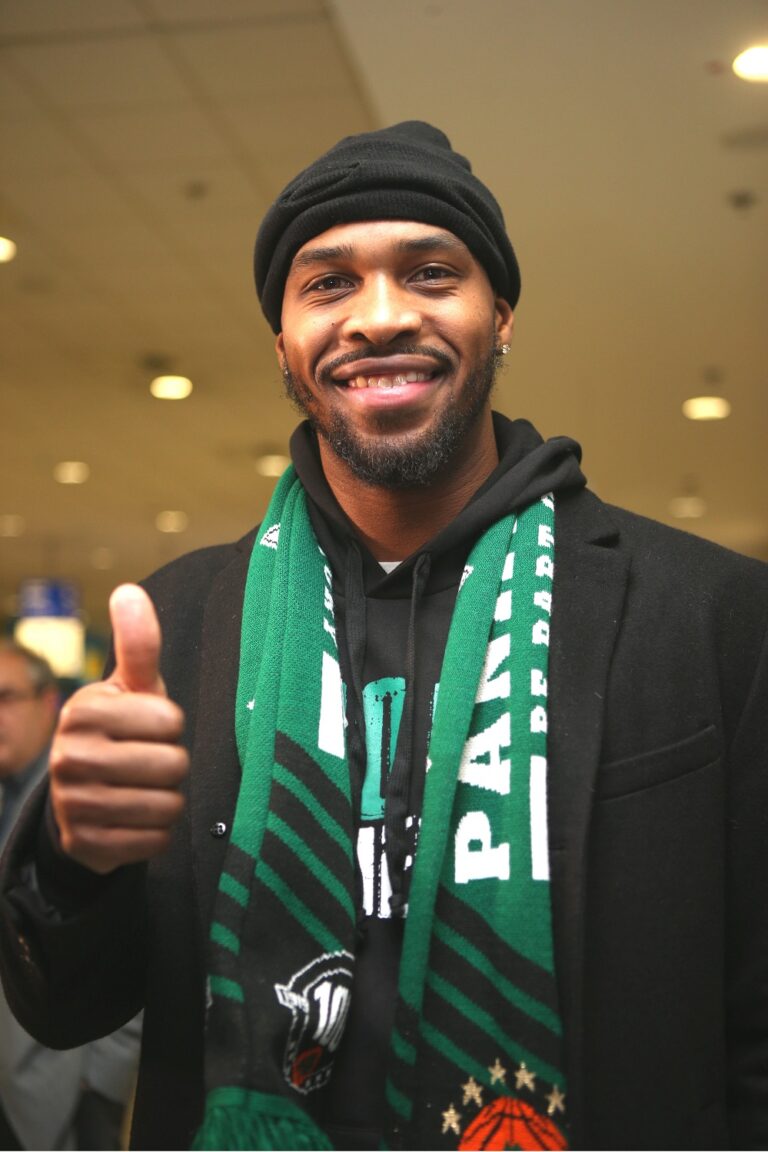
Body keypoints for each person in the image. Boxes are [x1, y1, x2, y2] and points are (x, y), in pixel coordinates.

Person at [1, 121, 767, 1152]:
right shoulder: (181, 625)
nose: (381, 316)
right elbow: (68, 1012)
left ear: (502, 317)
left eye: (431, 272)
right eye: (328, 284)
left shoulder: (710, 616)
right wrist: (73, 861)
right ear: (283, 345)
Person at [0, 641, 142, 1150]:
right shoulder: (7, 790)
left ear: (49, 702)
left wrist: (101, 1084)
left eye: (5, 698)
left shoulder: (86, 790)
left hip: (63, 1087)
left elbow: (134, 928)